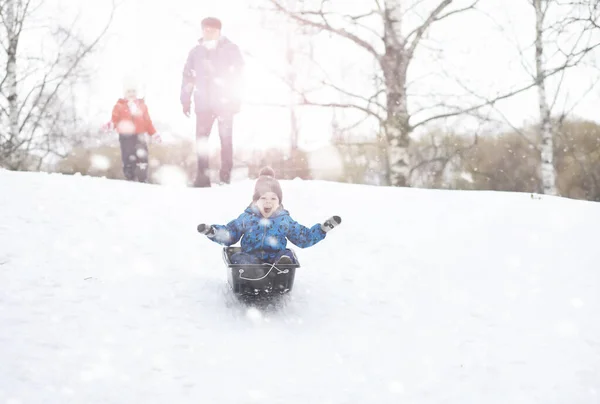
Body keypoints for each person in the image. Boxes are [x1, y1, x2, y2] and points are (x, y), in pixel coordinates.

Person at [197, 167, 342, 265]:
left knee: (286, 255)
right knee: (238, 257)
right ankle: (249, 273)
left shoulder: (284, 220)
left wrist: (322, 229)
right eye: (263, 198)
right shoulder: (247, 218)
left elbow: (303, 237)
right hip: (250, 257)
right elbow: (230, 234)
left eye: (273, 199)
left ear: (279, 203)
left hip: (275, 259)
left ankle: (281, 267)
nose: (268, 202)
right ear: (255, 201)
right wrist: (213, 232)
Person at [180, 16, 244, 187]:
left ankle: (225, 177)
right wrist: (185, 100)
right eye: (206, 30)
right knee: (201, 142)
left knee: (226, 140)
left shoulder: (231, 49)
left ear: (219, 31)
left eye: (212, 30)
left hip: (225, 103)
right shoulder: (195, 52)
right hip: (203, 104)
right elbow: (187, 77)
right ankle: (202, 177)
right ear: (202, 30)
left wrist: (236, 98)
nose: (208, 33)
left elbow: (238, 75)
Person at [106, 80, 161, 182]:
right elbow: (115, 119)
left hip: (139, 135)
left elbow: (148, 122)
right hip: (125, 136)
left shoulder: (142, 106)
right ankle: (130, 177)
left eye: (133, 91)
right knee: (128, 157)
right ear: (125, 93)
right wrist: (111, 125)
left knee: (142, 157)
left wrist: (154, 133)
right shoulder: (119, 106)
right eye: (129, 91)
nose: (131, 94)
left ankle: (142, 178)